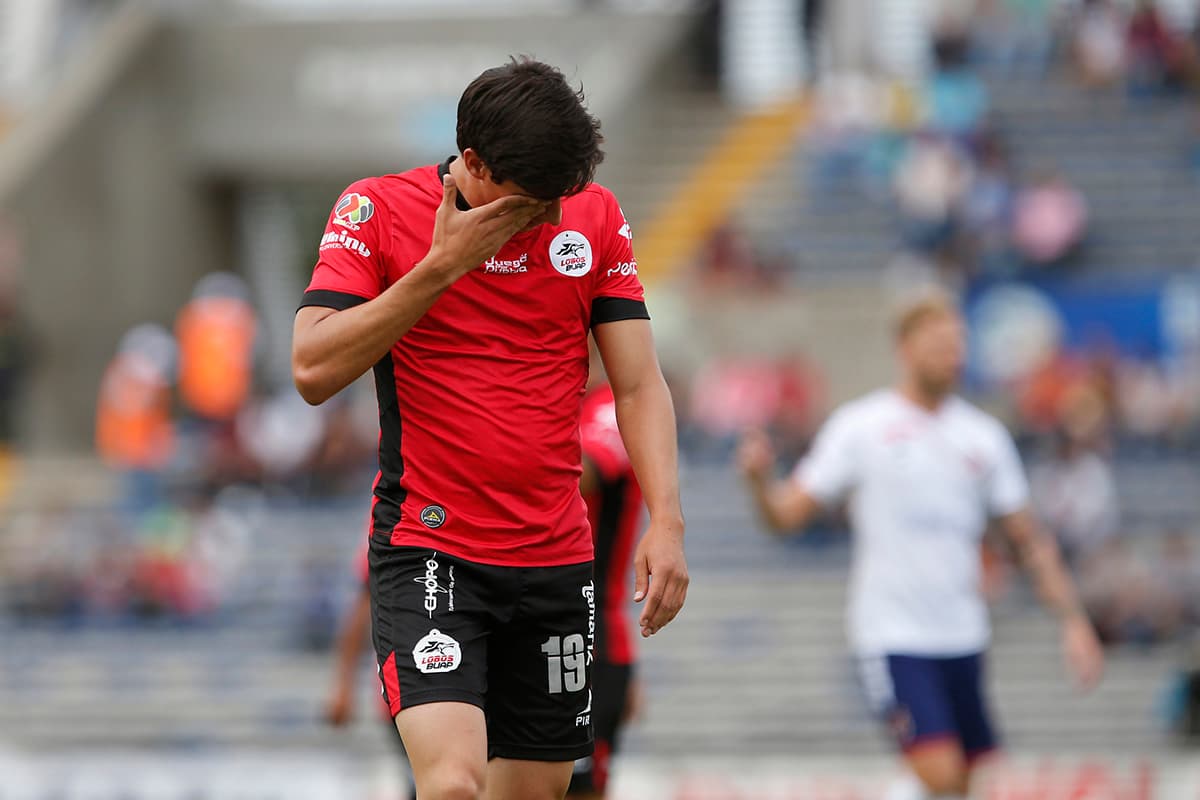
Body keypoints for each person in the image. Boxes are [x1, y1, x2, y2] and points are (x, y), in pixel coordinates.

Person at [292, 58, 687, 800]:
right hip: (431, 548)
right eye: (533, 200)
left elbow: (637, 385)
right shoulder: (376, 210)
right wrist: (440, 268)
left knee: (534, 794)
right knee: (451, 787)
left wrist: (667, 520)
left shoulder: (593, 217)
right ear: (472, 164)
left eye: (558, 199)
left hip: (554, 560)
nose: (547, 215)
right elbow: (311, 368)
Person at [737, 290, 1103, 800]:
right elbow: (785, 516)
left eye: (956, 344)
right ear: (904, 348)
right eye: (936, 343)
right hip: (893, 636)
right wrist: (758, 481)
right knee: (940, 772)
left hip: (964, 634)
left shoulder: (983, 438)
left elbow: (1029, 541)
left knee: (963, 784)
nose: (949, 354)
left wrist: (1073, 621)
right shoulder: (861, 427)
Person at [567, 373, 646, 799]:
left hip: (590, 639)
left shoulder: (610, 406)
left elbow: (579, 475)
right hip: (522, 626)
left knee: (578, 788)